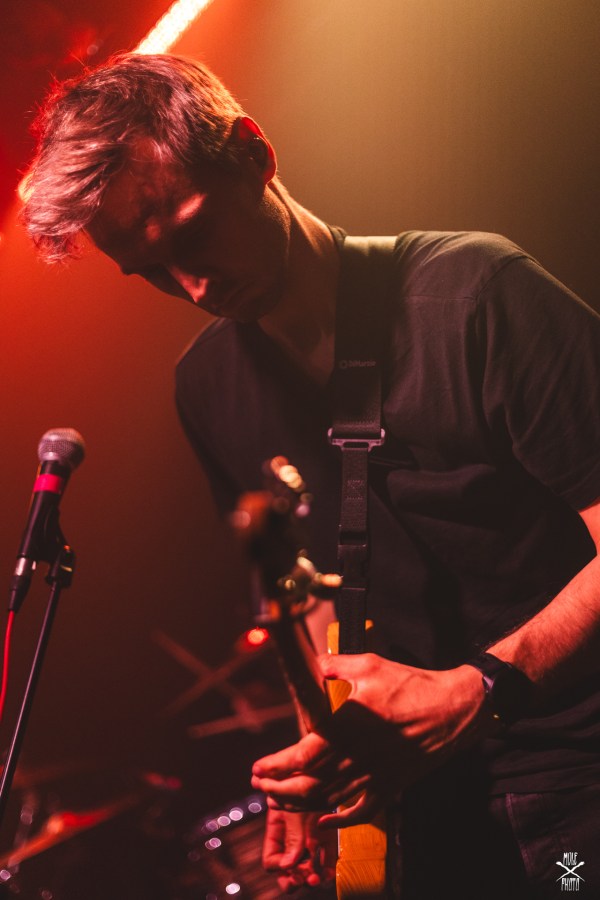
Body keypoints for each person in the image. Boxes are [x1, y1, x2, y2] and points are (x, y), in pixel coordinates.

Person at [20, 52, 600, 898]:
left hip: (578, 771)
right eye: (148, 271)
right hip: (424, 799)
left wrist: (483, 686)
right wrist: (319, 750)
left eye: (192, 235)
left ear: (254, 153)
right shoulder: (206, 387)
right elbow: (317, 601)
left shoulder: (478, 293)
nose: (194, 286)